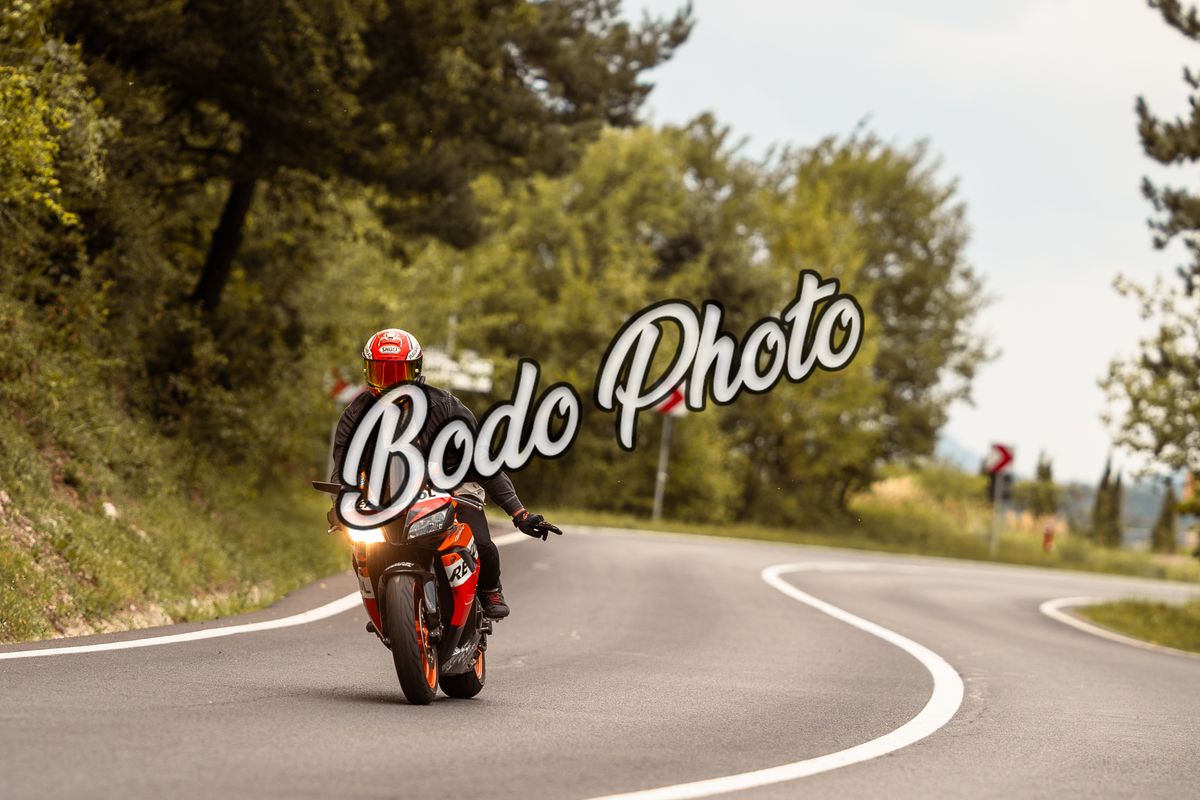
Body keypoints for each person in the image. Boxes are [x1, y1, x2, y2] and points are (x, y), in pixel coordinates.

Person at [329, 328, 561, 619]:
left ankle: (490, 588)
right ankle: (386, 606)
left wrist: (519, 513)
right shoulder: (355, 415)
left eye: (398, 373)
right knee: (364, 547)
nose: (391, 382)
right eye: (382, 373)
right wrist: (341, 505)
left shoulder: (446, 407)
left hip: (452, 486)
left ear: (416, 370)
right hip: (388, 493)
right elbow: (343, 470)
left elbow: (484, 463)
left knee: (480, 541)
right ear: (368, 371)